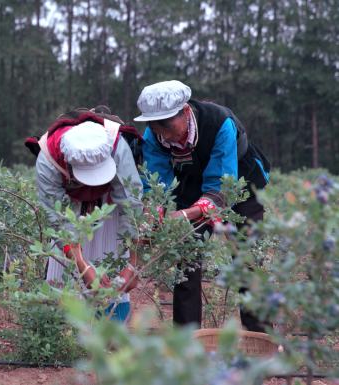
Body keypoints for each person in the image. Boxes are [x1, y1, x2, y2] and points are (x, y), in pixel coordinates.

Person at [135, 80, 270, 331]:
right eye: (155, 125)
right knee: (187, 260)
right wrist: (152, 217)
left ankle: (260, 336)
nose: (163, 132)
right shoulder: (153, 136)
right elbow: (157, 186)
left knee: (247, 257)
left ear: (185, 111)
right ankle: (187, 340)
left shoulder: (219, 124)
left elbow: (221, 188)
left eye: (167, 123)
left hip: (239, 184)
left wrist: (183, 214)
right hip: (190, 186)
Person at [30, 107, 143, 321]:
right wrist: (82, 266)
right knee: (67, 271)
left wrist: (132, 265)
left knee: (110, 253)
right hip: (69, 204)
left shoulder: (118, 146)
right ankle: (63, 329)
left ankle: (111, 326)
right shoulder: (48, 159)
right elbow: (57, 219)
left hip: (109, 203)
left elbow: (131, 204)